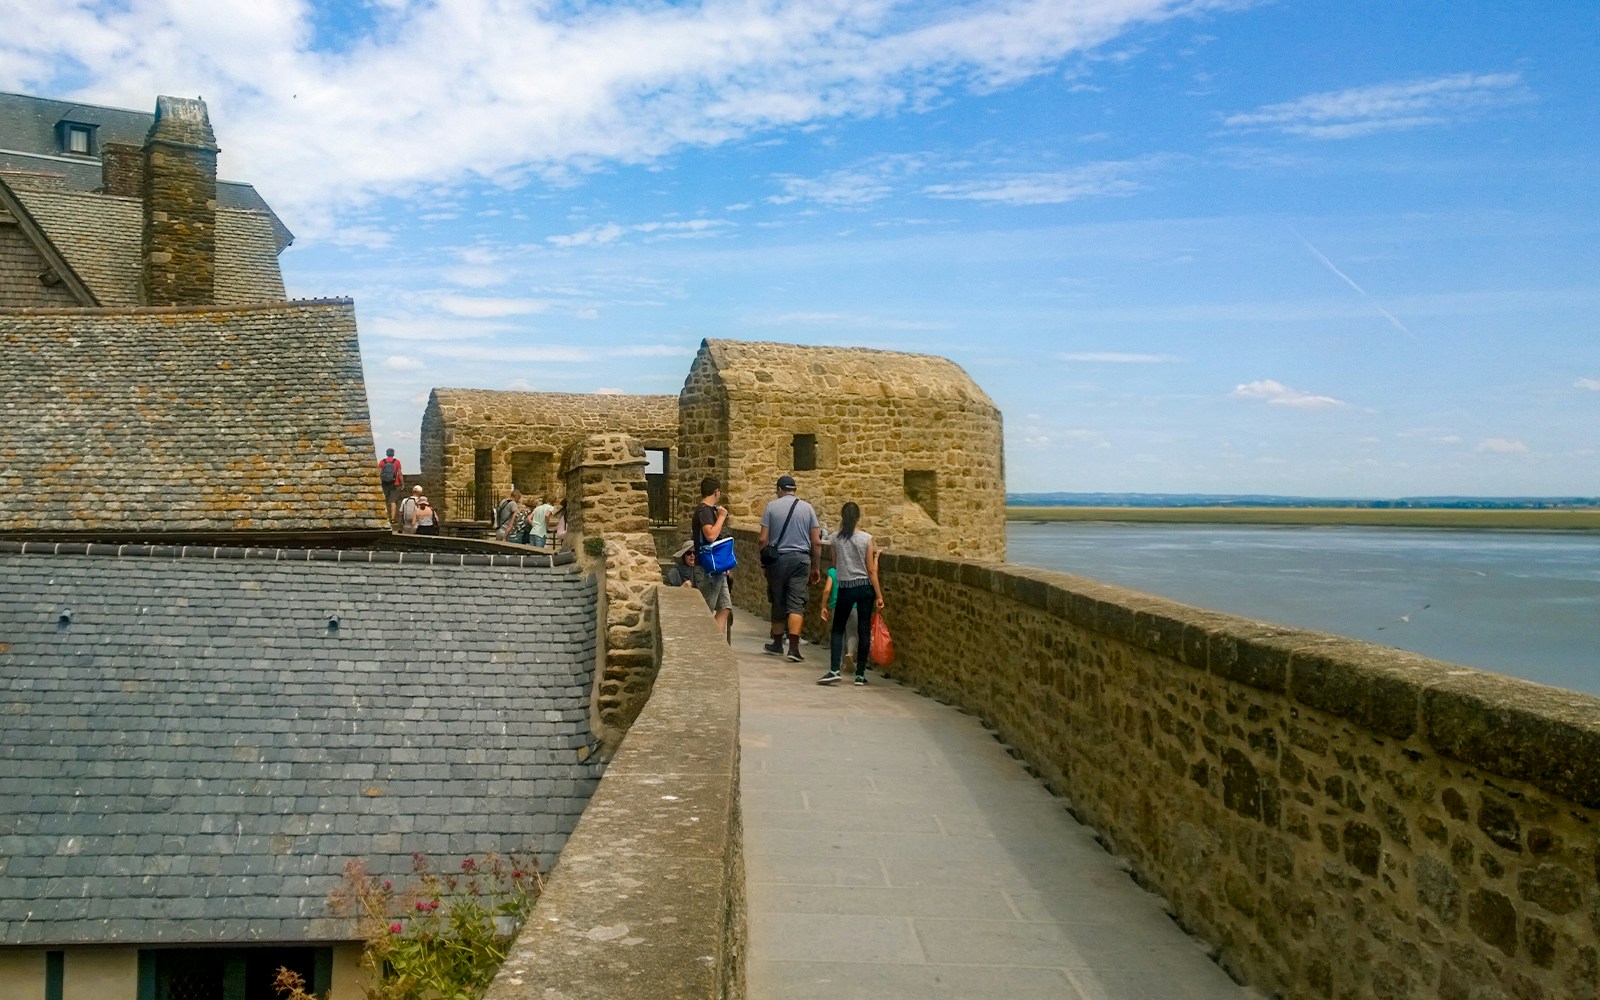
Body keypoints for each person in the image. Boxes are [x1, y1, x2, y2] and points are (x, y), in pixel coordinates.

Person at [817, 501, 883, 685]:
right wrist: (878, 595)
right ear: (858, 517)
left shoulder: (836, 538)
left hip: (846, 587)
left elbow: (835, 563)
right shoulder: (866, 539)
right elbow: (871, 570)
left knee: (838, 628)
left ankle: (834, 669)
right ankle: (860, 674)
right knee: (863, 629)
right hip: (864, 587)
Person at [758, 474, 821, 662]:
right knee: (796, 603)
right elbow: (816, 542)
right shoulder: (808, 508)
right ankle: (793, 648)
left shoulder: (771, 507)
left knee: (778, 600)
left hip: (778, 561)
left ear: (779, 489)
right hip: (801, 561)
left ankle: (777, 643)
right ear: (794, 489)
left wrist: (764, 561)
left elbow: (762, 539)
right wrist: (816, 567)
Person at [692, 477, 734, 641]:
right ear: (716, 492)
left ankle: (715, 643)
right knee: (706, 610)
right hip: (707, 568)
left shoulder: (708, 510)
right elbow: (710, 535)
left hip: (717, 568)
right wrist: (722, 517)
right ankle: (703, 643)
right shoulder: (704, 510)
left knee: (725, 607)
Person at [819, 566, 859, 675]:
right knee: (852, 633)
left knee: (839, 634)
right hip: (854, 606)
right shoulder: (855, 571)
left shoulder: (833, 572)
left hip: (838, 606)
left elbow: (827, 590)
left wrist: (823, 606)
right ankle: (850, 654)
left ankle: (842, 663)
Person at [378, 448, 404, 525]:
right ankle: (392, 519)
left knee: (384, 501)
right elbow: (399, 474)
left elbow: (379, 473)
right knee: (393, 501)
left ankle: (384, 517)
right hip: (394, 483)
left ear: (386, 454)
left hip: (384, 484)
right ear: (393, 454)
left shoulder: (382, 462)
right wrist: (402, 484)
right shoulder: (397, 462)